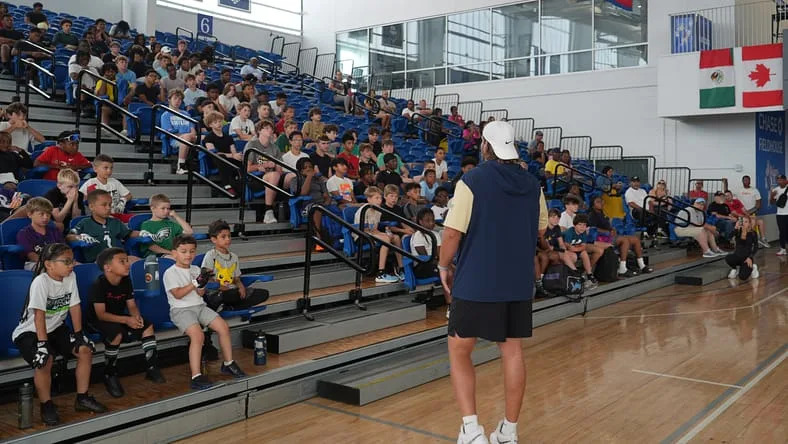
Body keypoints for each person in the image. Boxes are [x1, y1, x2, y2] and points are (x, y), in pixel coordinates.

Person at [439, 120, 547, 444]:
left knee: (459, 348)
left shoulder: (471, 180)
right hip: (516, 280)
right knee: (512, 351)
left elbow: (451, 233)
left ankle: (472, 431)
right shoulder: (532, 184)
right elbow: (541, 231)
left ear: (484, 146)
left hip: (476, 279)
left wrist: (443, 265)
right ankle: (508, 432)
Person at [12, 243, 107, 426]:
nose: (71, 265)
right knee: (45, 359)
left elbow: (74, 306)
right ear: (49, 264)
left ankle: (82, 398)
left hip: (56, 327)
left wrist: (79, 334)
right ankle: (46, 405)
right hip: (31, 331)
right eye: (66, 261)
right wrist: (42, 343)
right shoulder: (41, 282)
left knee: (85, 350)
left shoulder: (70, 276)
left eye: (72, 261)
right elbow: (39, 315)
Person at [163, 235, 246, 390]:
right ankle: (196, 376)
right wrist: (195, 283)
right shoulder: (170, 272)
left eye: (192, 251)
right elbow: (178, 294)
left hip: (199, 306)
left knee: (223, 327)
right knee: (198, 336)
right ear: (174, 253)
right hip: (180, 310)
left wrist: (203, 284)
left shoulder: (195, 269)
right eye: (183, 251)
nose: (188, 255)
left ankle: (228, 363)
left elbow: (200, 294)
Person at [90, 248, 166, 398]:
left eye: (127, 261)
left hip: (119, 316)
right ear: (108, 267)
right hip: (99, 320)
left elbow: (131, 305)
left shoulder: (125, 281)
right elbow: (101, 314)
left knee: (147, 326)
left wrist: (136, 318)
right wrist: (127, 320)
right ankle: (109, 373)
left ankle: (151, 367)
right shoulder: (98, 284)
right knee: (116, 334)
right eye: (122, 261)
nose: (127, 264)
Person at [201, 220, 270, 311]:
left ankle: (230, 307)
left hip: (232, 290)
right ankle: (229, 305)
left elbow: (236, 278)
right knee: (231, 295)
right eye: (223, 237)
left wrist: (241, 287)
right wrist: (222, 287)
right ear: (214, 239)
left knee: (263, 294)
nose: (228, 239)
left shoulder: (234, 257)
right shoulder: (210, 255)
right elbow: (206, 279)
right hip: (216, 292)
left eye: (229, 236)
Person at [66, 189, 144, 263]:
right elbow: (69, 237)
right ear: (91, 207)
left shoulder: (115, 222)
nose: (108, 208)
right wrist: (80, 237)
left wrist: (143, 233)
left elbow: (129, 233)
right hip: (98, 260)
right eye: (104, 205)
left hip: (119, 258)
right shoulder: (84, 223)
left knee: (139, 262)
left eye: (110, 204)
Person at [588, 196, 652, 277]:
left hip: (609, 236)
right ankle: (622, 268)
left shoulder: (601, 213)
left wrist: (612, 229)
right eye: (598, 201)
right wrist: (607, 232)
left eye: (601, 201)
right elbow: (592, 228)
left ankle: (642, 265)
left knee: (635, 239)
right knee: (625, 240)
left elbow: (607, 226)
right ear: (593, 205)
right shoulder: (591, 215)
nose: (601, 203)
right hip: (600, 239)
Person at [245, 119, 293, 224]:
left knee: (292, 176)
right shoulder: (252, 145)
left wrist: (275, 166)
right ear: (259, 131)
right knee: (274, 175)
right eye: (266, 128)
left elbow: (280, 170)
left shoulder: (274, 148)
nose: (270, 130)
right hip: (256, 178)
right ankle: (268, 211)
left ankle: (293, 209)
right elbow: (247, 168)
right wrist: (262, 166)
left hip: (273, 177)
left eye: (271, 128)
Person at [355, 186, 403, 283]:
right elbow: (364, 229)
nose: (379, 200)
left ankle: (400, 268)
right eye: (376, 198)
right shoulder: (364, 210)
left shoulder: (378, 210)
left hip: (372, 233)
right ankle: (381, 273)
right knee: (386, 239)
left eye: (380, 198)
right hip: (361, 235)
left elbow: (375, 229)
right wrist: (384, 236)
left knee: (396, 237)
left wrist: (386, 234)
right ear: (369, 199)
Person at [79, 154, 134, 223]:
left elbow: (129, 195)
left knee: (135, 219)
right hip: (99, 216)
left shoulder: (114, 182)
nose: (109, 171)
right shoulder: (90, 183)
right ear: (95, 169)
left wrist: (122, 201)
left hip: (116, 214)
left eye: (111, 168)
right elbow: (80, 198)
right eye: (106, 168)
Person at [16, 197, 64, 270]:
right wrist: (49, 263)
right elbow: (31, 255)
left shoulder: (54, 231)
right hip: (34, 263)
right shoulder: (24, 233)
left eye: (48, 214)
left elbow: (63, 249)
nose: (45, 217)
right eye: (41, 214)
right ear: (30, 214)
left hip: (57, 262)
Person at [204, 110, 243, 196]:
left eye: (219, 121)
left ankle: (241, 183)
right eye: (215, 122)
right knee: (221, 157)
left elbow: (233, 151)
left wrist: (236, 155)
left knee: (241, 159)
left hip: (229, 158)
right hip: (216, 160)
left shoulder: (228, 137)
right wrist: (232, 155)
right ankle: (227, 185)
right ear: (210, 125)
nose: (219, 124)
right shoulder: (208, 137)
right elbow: (214, 153)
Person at [161, 89, 197, 174]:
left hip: (190, 137)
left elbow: (193, 130)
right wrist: (186, 135)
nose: (178, 101)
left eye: (180, 99)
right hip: (175, 140)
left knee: (205, 138)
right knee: (186, 138)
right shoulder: (165, 115)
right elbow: (169, 133)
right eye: (175, 98)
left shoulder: (186, 114)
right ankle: (180, 166)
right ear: (169, 99)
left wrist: (190, 135)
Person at [562, 214, 598, 289]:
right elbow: (567, 247)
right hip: (565, 251)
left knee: (584, 253)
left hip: (575, 249)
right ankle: (575, 277)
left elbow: (584, 246)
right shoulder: (570, 232)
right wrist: (578, 248)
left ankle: (589, 274)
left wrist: (576, 248)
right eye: (580, 225)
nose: (582, 227)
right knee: (574, 256)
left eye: (584, 225)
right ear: (574, 225)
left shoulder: (583, 233)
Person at [770, 174, 788, 256]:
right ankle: (783, 249)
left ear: (785, 180)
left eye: (781, 180)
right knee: (782, 231)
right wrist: (772, 196)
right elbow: (772, 203)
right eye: (778, 180)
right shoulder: (775, 190)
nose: (779, 181)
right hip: (780, 214)